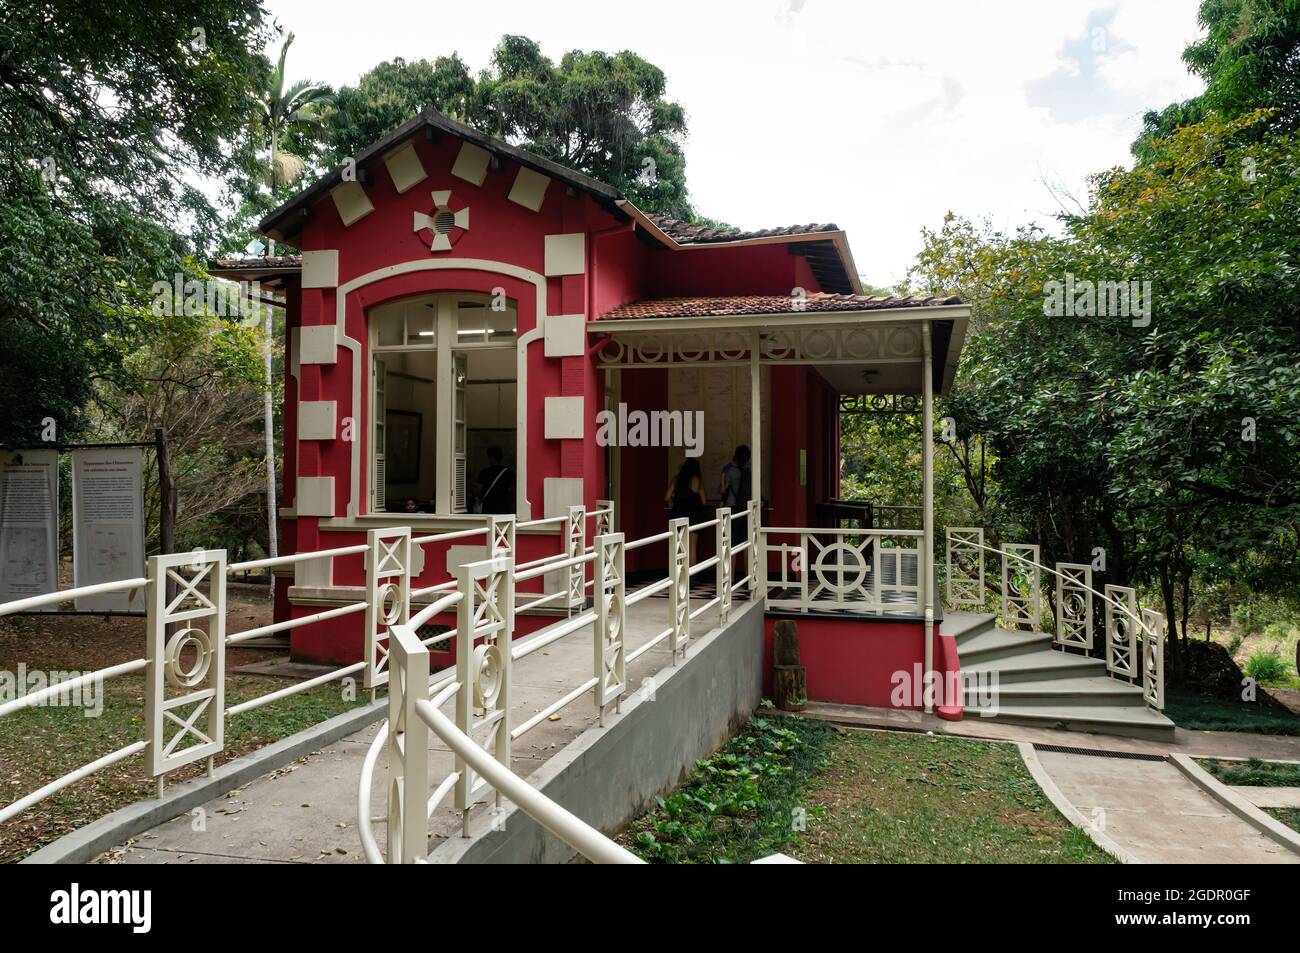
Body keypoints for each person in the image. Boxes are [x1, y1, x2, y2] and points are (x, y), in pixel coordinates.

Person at [664, 457, 707, 564]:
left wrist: (676, 499)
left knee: (680, 546)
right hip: (693, 516)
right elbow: (704, 501)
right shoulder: (697, 480)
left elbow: (666, 497)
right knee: (692, 548)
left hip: (678, 514)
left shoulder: (676, 479)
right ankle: (691, 576)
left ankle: (679, 574)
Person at [721, 445, 753, 587]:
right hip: (746, 510)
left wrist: (722, 476)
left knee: (731, 544)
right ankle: (749, 575)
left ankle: (730, 577)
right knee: (747, 544)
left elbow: (722, 490)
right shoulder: (749, 471)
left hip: (732, 510)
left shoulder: (730, 472)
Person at [474, 446, 514, 514]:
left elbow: (478, 490)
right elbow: (513, 492)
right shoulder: (509, 473)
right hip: (504, 509)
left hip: (488, 508)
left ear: (492, 457)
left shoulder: (485, 472)